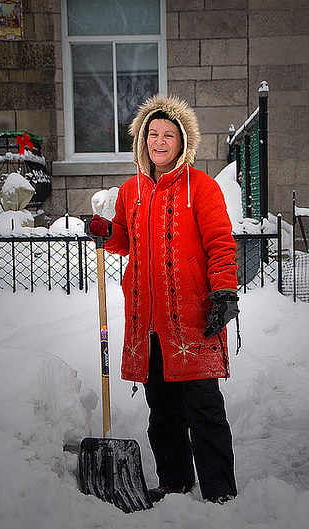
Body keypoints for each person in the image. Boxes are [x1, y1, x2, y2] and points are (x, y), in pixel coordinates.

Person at [86, 94, 240, 504]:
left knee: (204, 408)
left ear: (182, 141)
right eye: (152, 134)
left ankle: (220, 491)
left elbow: (221, 244)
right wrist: (105, 231)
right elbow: (124, 240)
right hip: (147, 318)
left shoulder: (201, 188)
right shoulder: (131, 190)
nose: (159, 141)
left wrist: (224, 290)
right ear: (142, 140)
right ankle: (174, 480)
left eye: (168, 135)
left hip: (192, 317)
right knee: (162, 408)